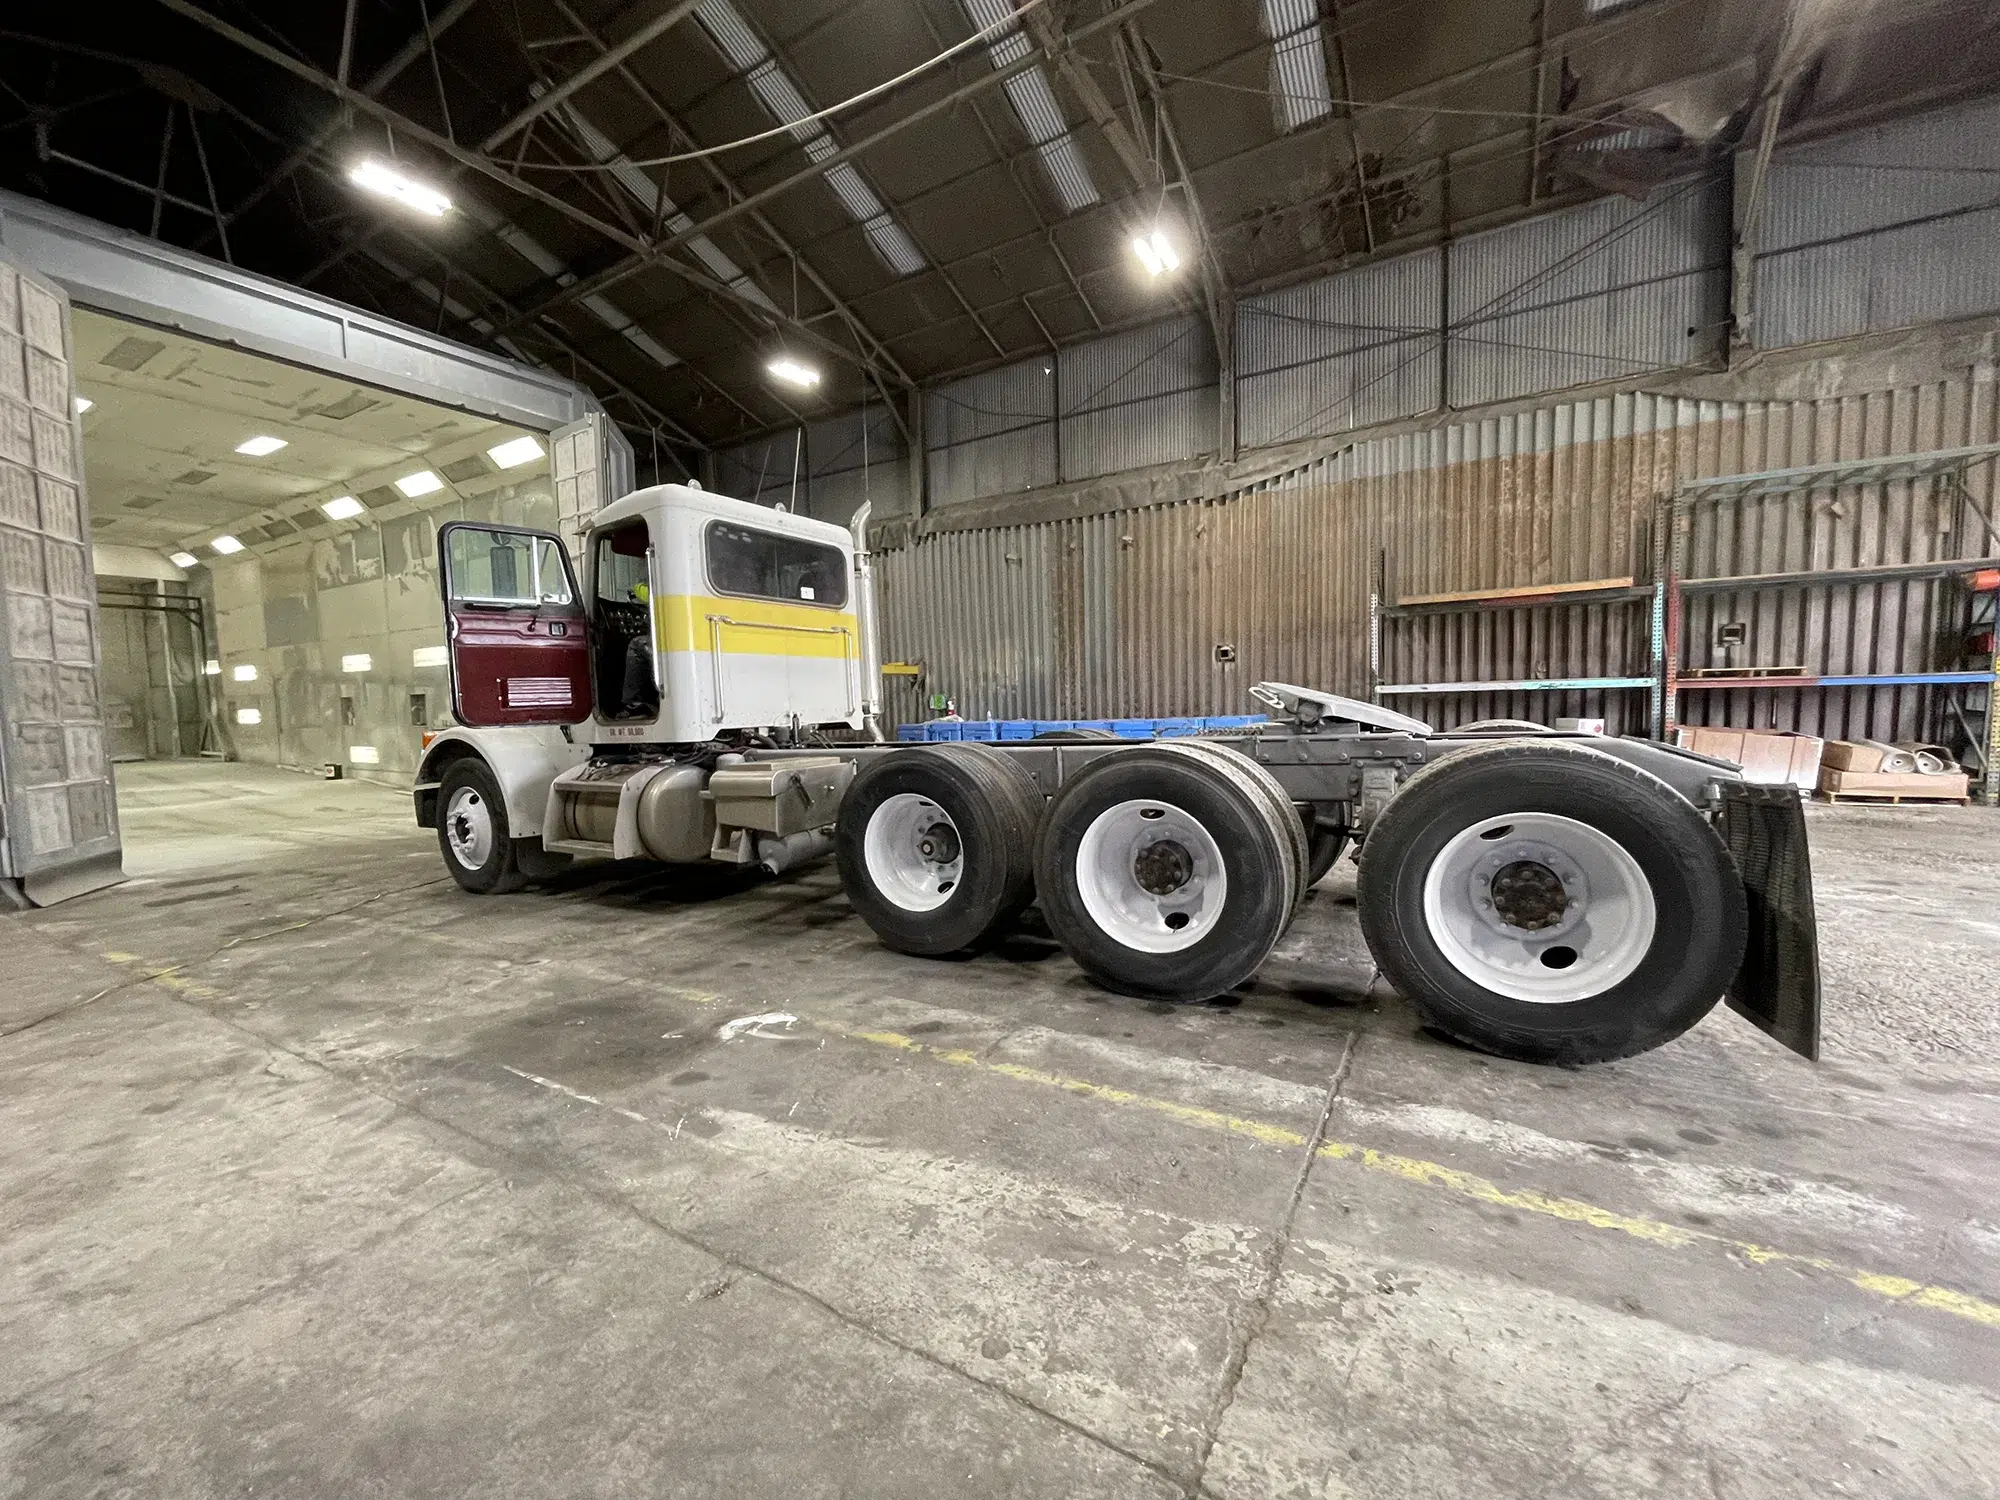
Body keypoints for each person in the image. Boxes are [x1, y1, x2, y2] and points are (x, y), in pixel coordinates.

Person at [620, 581, 659, 717]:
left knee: (636, 645)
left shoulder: (666, 585)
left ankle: (635, 703)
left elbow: (646, 592)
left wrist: (636, 587)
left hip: (674, 640)